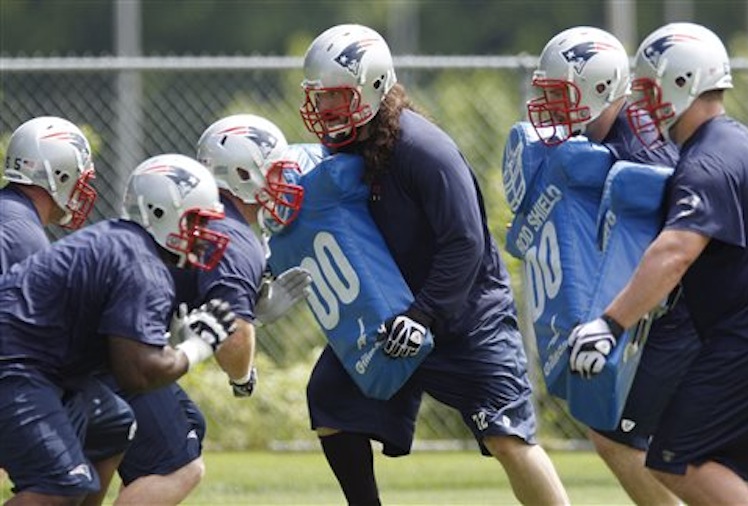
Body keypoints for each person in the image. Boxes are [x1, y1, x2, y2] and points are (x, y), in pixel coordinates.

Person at [298, 23, 569, 505]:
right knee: (331, 402)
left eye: (337, 97)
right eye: (320, 99)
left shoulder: (423, 149)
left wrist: (421, 315)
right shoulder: (347, 148)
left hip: (465, 318)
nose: (326, 111)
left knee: (507, 436)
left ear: (374, 87)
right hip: (393, 313)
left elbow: (465, 243)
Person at [568, 22, 748, 505]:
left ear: (682, 82)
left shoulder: (706, 161)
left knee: (679, 457)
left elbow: (675, 251)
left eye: (650, 89)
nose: (642, 105)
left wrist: (610, 324)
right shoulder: (736, 141)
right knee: (742, 462)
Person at [0, 153, 237, 505]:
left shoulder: (126, 244)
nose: (206, 235)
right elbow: (137, 374)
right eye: (198, 222)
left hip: (41, 366)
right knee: (58, 485)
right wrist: (197, 346)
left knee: (111, 424)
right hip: (17, 365)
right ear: (160, 212)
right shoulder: (142, 265)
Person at [526, 27, 697, 506]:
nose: (550, 107)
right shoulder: (616, 134)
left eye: (559, 95)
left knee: (614, 434)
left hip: (689, 308)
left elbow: (678, 243)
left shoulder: (643, 150)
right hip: (689, 306)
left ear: (599, 89)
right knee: (717, 447)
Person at [110, 114, 311, 505]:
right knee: (177, 466)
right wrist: (242, 378)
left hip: (102, 338)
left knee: (187, 425)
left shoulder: (196, 217)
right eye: (275, 172)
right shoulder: (234, 236)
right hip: (113, 350)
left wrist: (246, 306)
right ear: (243, 173)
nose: (284, 183)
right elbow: (233, 335)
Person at [0, 116, 136, 506]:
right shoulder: (19, 232)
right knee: (59, 482)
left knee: (111, 422)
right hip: (12, 373)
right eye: (78, 176)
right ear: (57, 173)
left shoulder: (16, 218)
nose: (81, 189)